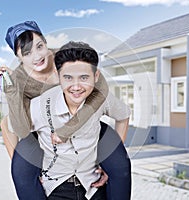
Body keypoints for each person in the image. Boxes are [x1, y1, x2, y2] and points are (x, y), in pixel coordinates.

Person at [0, 21, 131, 200]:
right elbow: (16, 126)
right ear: (18, 58)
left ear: (45, 42)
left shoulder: (70, 58)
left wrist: (68, 129)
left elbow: (100, 93)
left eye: (39, 46)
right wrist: (29, 167)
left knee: (121, 167)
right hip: (44, 126)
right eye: (26, 53)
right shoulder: (18, 78)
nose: (36, 56)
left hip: (85, 118)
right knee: (21, 170)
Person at [30, 41, 131, 199]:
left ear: (95, 76)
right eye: (68, 78)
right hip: (55, 189)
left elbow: (123, 116)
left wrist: (110, 159)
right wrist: (28, 174)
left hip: (93, 187)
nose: (76, 87)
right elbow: (10, 129)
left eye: (84, 77)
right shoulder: (38, 106)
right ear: (58, 76)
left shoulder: (102, 99)